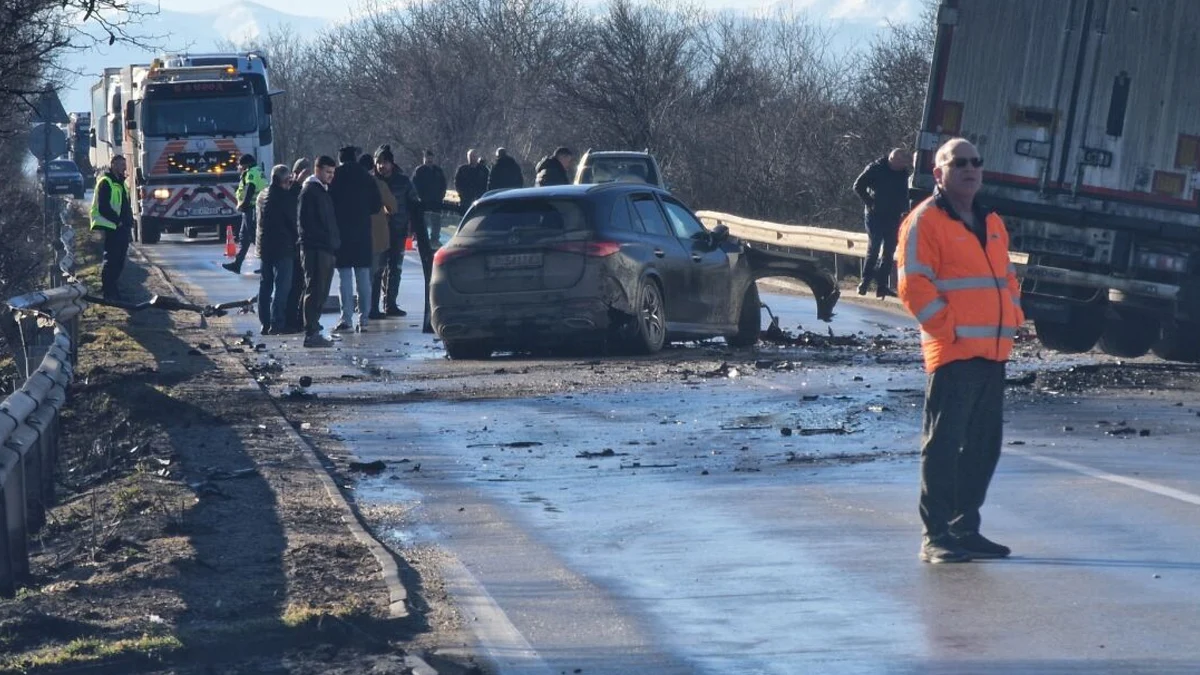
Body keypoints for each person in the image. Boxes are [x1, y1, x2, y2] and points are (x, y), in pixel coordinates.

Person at [897, 138, 1024, 564]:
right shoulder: (924, 222)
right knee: (945, 444)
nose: (970, 169)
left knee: (984, 446)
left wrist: (1013, 317)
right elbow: (913, 286)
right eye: (959, 164)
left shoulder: (991, 221)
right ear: (939, 173)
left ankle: (964, 528)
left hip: (992, 351)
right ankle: (935, 536)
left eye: (976, 163)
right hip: (953, 352)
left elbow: (1006, 276)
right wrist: (947, 331)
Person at [330, 145, 383, 332]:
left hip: (341, 234)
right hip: (362, 233)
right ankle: (365, 319)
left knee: (344, 279)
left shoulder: (335, 177)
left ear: (340, 159)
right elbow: (377, 206)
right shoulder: (366, 177)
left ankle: (346, 319)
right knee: (363, 279)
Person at [378, 145, 428, 327]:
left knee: (395, 268)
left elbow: (414, 203)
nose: (381, 166)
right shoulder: (374, 181)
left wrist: (414, 227)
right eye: (379, 163)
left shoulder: (403, 182)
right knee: (379, 269)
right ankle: (378, 304)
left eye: (384, 162)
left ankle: (390, 303)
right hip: (378, 233)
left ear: (391, 164)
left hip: (398, 231)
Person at [852, 148, 911, 298]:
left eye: (904, 163)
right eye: (900, 162)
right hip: (875, 215)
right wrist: (870, 202)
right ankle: (865, 282)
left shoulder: (903, 173)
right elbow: (858, 186)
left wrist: (905, 210)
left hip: (893, 216)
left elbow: (903, 193)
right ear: (892, 160)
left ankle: (882, 286)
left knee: (889, 252)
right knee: (875, 248)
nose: (902, 166)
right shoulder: (876, 168)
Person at [298, 155, 340, 348]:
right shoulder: (310, 191)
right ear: (317, 170)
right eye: (327, 172)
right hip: (316, 249)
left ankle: (313, 327)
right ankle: (311, 331)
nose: (331, 176)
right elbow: (307, 224)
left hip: (325, 248)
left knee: (321, 290)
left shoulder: (322, 191)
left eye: (333, 172)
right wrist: (324, 242)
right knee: (315, 289)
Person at [255, 164, 299, 335]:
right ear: (285, 180)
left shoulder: (262, 195)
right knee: (282, 286)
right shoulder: (285, 198)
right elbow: (293, 222)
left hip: (265, 247)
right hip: (283, 248)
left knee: (265, 286)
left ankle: (264, 322)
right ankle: (277, 322)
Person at [90, 155, 134, 300]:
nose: (124, 167)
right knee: (112, 260)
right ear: (113, 164)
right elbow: (103, 207)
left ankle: (113, 290)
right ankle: (108, 292)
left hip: (121, 227)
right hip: (111, 226)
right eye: (121, 164)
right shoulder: (106, 182)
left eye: (124, 164)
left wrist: (129, 222)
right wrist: (118, 221)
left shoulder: (121, 183)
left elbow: (125, 205)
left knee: (120, 260)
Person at [360, 153, 398, 321]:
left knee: (359, 274)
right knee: (375, 274)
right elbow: (393, 207)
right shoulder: (379, 184)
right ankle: (372, 308)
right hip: (377, 234)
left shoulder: (351, 185)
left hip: (356, 234)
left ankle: (362, 307)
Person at [224, 154, 267, 275]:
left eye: (240, 165)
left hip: (252, 209)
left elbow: (250, 189)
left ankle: (266, 265)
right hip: (251, 209)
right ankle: (237, 265)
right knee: (244, 238)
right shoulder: (257, 170)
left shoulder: (251, 173)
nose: (239, 167)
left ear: (246, 164)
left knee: (254, 237)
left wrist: (244, 204)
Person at [282, 158, 311, 334]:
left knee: (302, 284)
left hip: (300, 244)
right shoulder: (290, 190)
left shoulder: (303, 190)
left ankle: (300, 318)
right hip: (293, 245)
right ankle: (292, 319)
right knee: (295, 285)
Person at [413, 149, 448, 249]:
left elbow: (443, 184)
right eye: (427, 158)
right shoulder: (419, 171)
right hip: (423, 201)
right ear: (424, 159)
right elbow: (414, 186)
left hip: (436, 200)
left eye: (431, 158)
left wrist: (441, 195)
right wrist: (419, 197)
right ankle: (422, 240)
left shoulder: (438, 171)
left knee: (436, 221)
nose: (429, 160)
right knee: (423, 222)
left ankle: (435, 239)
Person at [453, 149, 489, 221]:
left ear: (477, 157)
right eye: (470, 156)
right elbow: (457, 183)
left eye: (473, 156)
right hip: (465, 200)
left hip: (480, 199)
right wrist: (461, 194)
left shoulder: (483, 170)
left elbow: (488, 183)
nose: (472, 158)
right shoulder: (462, 169)